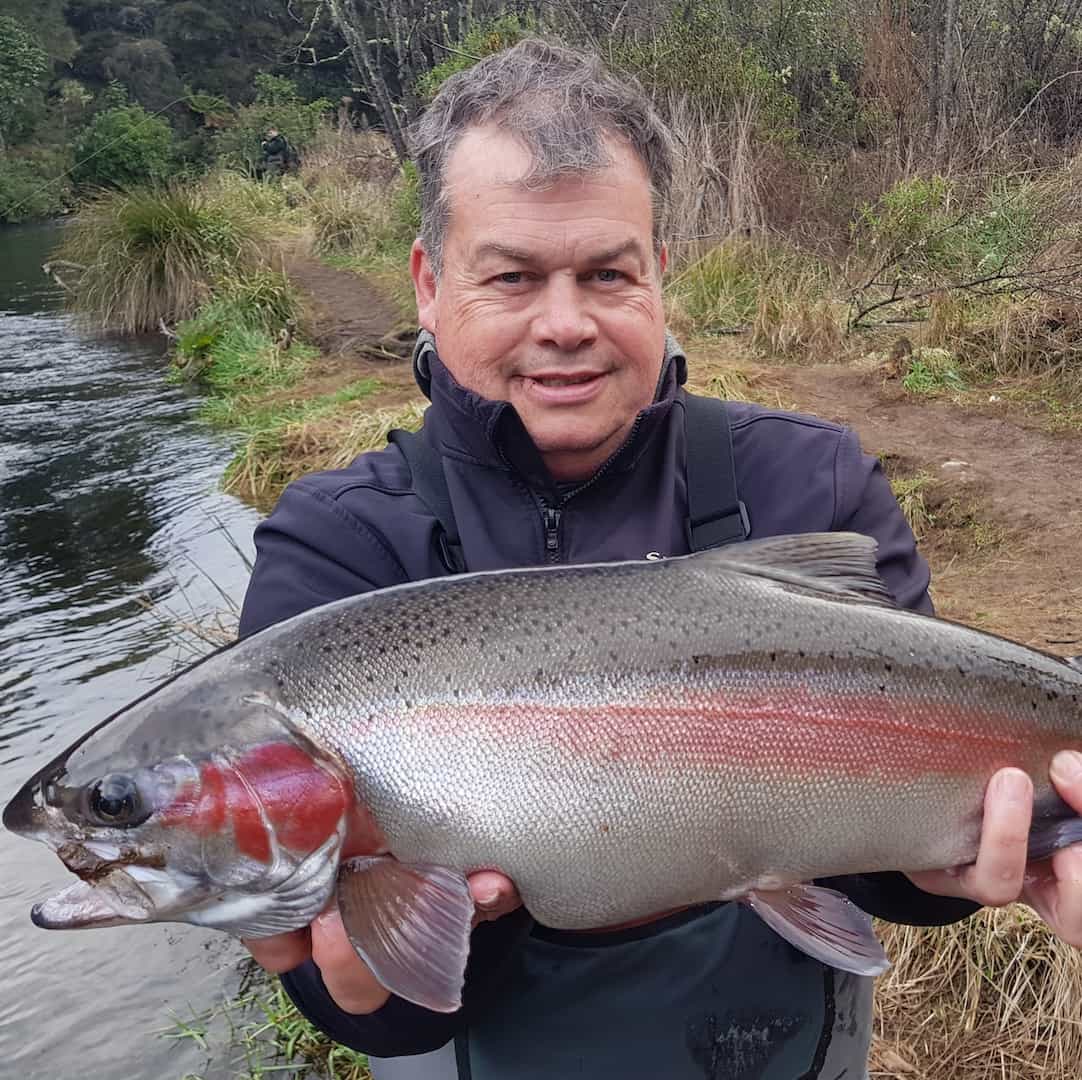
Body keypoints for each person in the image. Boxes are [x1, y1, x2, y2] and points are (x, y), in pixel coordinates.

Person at [237, 39, 1082, 1080]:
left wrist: (947, 874)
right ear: (427, 280)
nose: (565, 325)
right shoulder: (341, 542)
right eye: (511, 276)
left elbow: (888, 869)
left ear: (657, 275)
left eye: (606, 273)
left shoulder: (805, 479)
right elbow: (378, 1018)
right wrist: (367, 991)